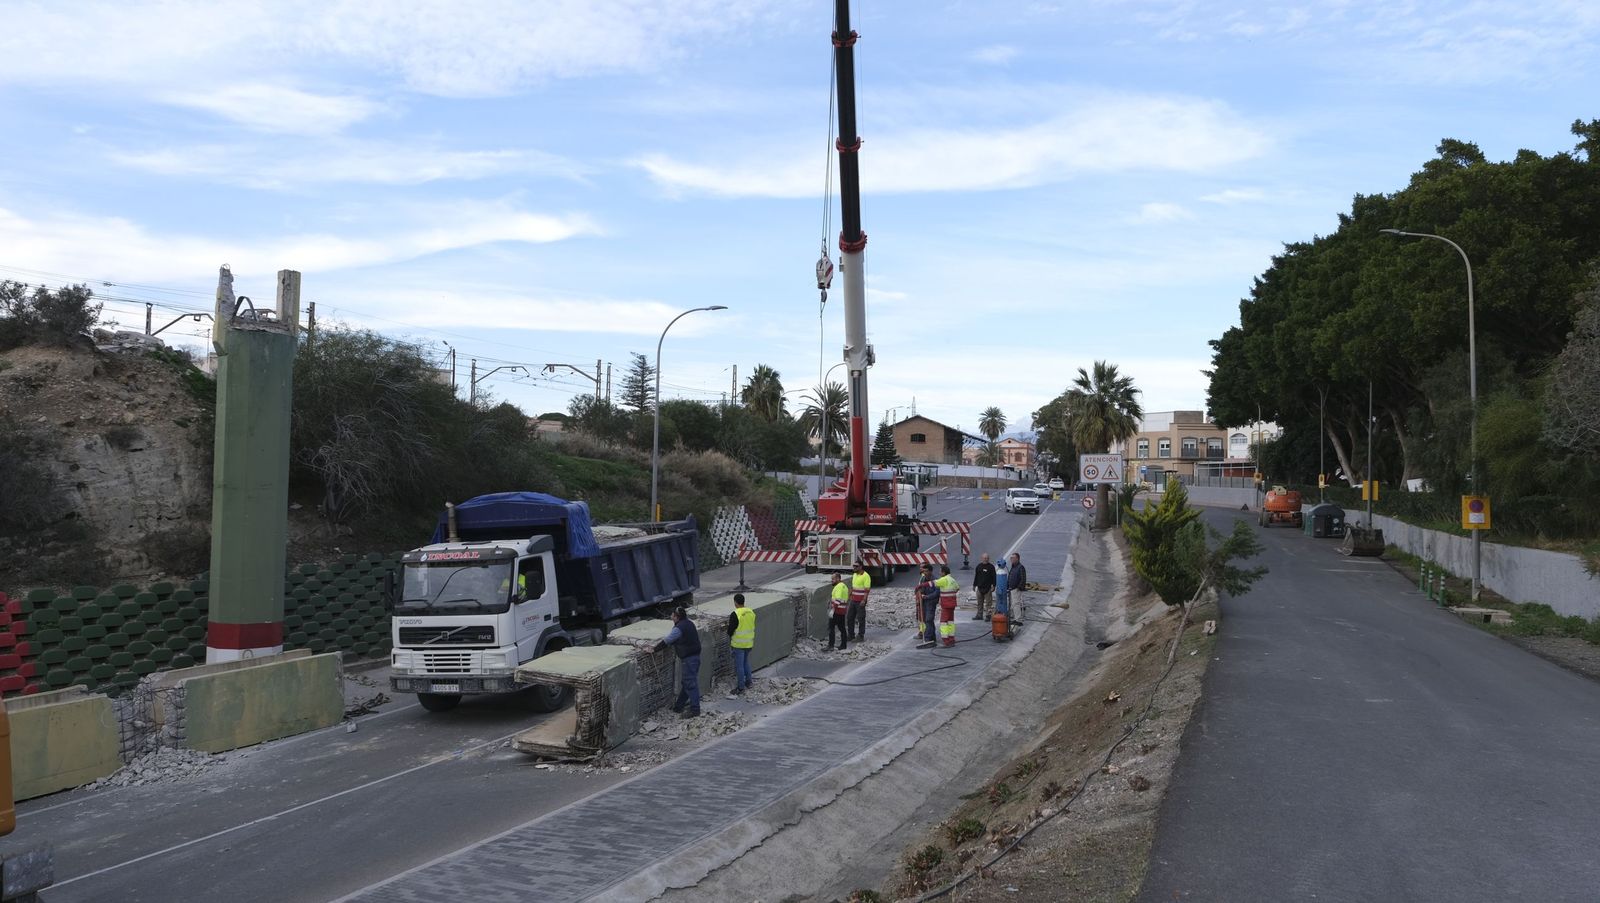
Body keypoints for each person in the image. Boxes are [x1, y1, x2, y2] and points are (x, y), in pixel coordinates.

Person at [652, 606, 701, 718]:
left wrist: (654, 649)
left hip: (689, 659)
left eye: (672, 615)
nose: (671, 617)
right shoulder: (689, 623)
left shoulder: (679, 628)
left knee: (690, 683)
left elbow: (668, 640)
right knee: (687, 683)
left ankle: (695, 710)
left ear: (677, 617)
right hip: (695, 657)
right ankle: (679, 706)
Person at [727, 593, 755, 695]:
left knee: (739, 666)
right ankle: (749, 682)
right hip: (749, 642)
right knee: (745, 662)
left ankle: (740, 687)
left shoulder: (735, 614)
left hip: (738, 644)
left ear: (735, 602)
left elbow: (730, 630)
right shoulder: (751, 612)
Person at [935, 564, 960, 646]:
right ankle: (952, 638)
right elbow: (957, 588)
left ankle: (946, 640)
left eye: (940, 571)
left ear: (943, 572)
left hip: (945, 604)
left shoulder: (944, 579)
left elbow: (933, 583)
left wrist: (920, 586)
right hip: (952, 604)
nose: (939, 573)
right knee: (950, 621)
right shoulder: (952, 580)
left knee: (943, 622)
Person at [916, 565, 939, 648]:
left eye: (926, 571)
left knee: (929, 619)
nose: (924, 573)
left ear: (930, 571)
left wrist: (927, 597)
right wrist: (920, 594)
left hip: (931, 602)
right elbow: (921, 589)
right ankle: (932, 637)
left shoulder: (935, 580)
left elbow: (937, 593)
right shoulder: (923, 579)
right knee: (927, 620)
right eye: (924, 571)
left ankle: (928, 638)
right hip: (924, 602)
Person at [848, 561, 871, 642]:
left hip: (860, 601)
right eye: (853, 566)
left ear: (861, 567)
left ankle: (861, 636)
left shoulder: (866, 576)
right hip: (853, 600)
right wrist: (849, 596)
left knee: (861, 618)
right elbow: (853, 586)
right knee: (850, 617)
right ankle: (851, 635)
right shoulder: (854, 575)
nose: (854, 567)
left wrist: (864, 600)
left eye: (856, 566)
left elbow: (867, 590)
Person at [827, 573, 850, 651]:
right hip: (842, 611)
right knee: (842, 628)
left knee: (831, 628)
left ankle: (830, 646)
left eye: (833, 579)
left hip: (837, 611)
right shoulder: (844, 586)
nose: (831, 581)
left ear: (838, 579)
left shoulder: (839, 587)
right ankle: (843, 645)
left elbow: (838, 599)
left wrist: (833, 610)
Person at [972, 553, 996, 621]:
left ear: (988, 559)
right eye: (984, 558)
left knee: (988, 603)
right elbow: (976, 577)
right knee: (979, 603)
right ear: (982, 558)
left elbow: (994, 577)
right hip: (979, 588)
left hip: (988, 588)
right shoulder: (978, 566)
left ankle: (988, 616)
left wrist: (994, 586)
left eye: (987, 558)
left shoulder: (991, 567)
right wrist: (974, 585)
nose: (985, 559)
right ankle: (979, 615)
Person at [1008, 552, 1028, 623]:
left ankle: (1018, 620)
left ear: (1017, 559)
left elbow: (1023, 578)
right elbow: (1010, 576)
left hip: (1016, 589)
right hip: (1011, 589)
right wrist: (1008, 586)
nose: (1011, 559)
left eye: (1012, 558)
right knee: (1013, 605)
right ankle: (1015, 618)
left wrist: (1019, 588)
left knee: (1016, 604)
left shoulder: (1020, 567)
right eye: (1011, 558)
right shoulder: (1013, 566)